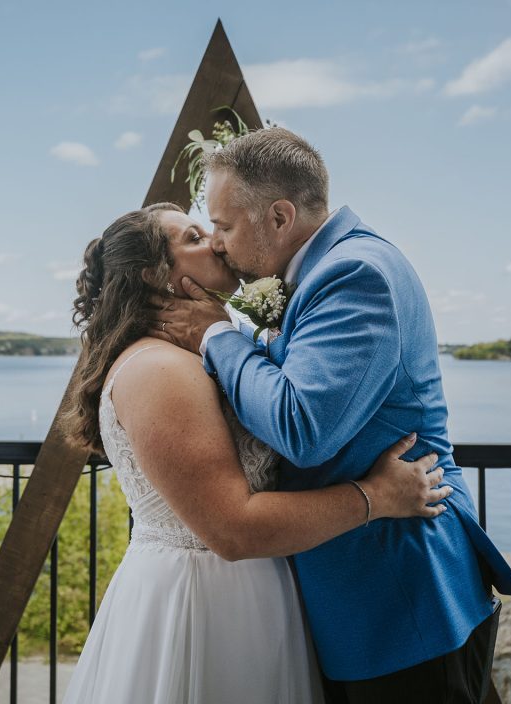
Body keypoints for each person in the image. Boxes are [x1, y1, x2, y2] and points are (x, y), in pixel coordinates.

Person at [150, 127, 511, 703]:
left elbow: (303, 427)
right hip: (365, 599)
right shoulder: (327, 269)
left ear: (278, 216)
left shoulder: (356, 274)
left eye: (224, 225)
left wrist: (219, 337)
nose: (218, 243)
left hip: (400, 601)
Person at [60, 202, 452, 703]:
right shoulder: (160, 370)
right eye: (195, 238)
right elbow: (232, 527)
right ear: (157, 275)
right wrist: (376, 496)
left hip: (250, 595)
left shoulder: (196, 354)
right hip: (203, 604)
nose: (217, 242)